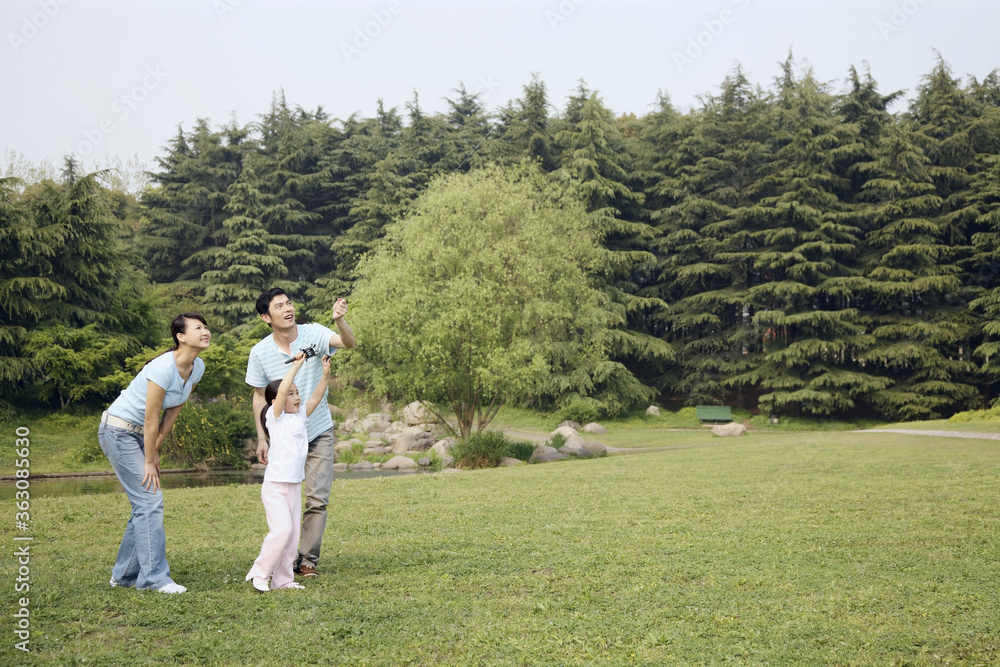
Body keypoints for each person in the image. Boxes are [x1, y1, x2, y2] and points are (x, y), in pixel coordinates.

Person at [245, 288, 355, 577]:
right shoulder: (259, 352)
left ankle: (307, 560)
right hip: (283, 439)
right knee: (286, 499)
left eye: (289, 303)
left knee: (317, 499)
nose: (288, 309)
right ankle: (284, 558)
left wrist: (339, 320)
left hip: (318, 429)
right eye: (279, 306)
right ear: (266, 317)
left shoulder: (314, 333)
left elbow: (348, 342)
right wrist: (261, 437)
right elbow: (259, 397)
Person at [99, 313, 211, 594]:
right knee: (149, 500)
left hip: (140, 435)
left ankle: (123, 576)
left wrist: (155, 448)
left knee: (144, 504)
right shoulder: (162, 368)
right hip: (118, 431)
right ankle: (154, 579)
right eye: (198, 327)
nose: (205, 331)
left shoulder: (197, 367)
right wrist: (148, 460)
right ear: (180, 337)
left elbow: (174, 410)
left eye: (206, 327)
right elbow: (151, 418)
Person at [245, 350, 331, 592]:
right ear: (276, 402)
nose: (296, 397)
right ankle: (260, 573)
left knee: (292, 537)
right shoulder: (275, 418)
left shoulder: (300, 416)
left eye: (297, 393)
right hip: (275, 486)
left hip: (293, 485)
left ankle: (283, 579)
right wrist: (295, 367)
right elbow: (281, 392)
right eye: (291, 394)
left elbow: (316, 397)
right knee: (281, 531)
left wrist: (325, 375)